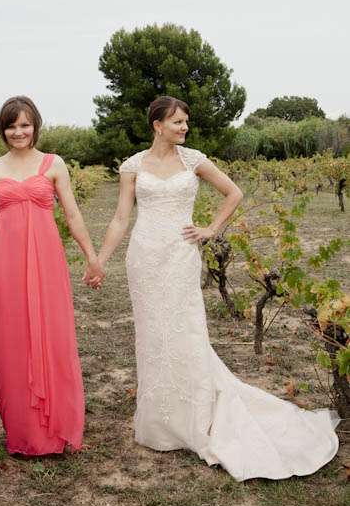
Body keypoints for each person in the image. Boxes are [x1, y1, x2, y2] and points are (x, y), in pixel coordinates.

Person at [96, 95, 340, 481]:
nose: (184, 127)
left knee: (186, 331)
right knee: (152, 335)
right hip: (144, 258)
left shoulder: (193, 160)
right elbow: (120, 218)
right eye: (177, 122)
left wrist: (211, 229)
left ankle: (195, 417)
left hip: (180, 256)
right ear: (157, 125)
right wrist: (100, 260)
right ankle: (160, 420)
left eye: (185, 121)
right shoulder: (132, 166)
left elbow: (234, 193)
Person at [0, 95, 104, 456]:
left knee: (53, 335)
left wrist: (92, 258)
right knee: (12, 341)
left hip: (47, 263)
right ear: (3, 129)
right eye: (11, 126)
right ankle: (23, 433)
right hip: (7, 266)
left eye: (25, 125)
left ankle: (55, 429)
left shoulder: (54, 164)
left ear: (35, 126)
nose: (18, 132)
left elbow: (73, 216)